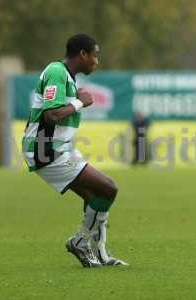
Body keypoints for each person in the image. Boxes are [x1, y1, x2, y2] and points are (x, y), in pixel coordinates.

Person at [22, 34, 127, 268]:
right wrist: (80, 103)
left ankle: (99, 253)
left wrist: (75, 101)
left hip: (57, 149)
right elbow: (51, 114)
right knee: (108, 188)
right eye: (95, 55)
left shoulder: (67, 78)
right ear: (83, 54)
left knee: (95, 198)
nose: (96, 61)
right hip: (44, 150)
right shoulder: (57, 72)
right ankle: (80, 242)